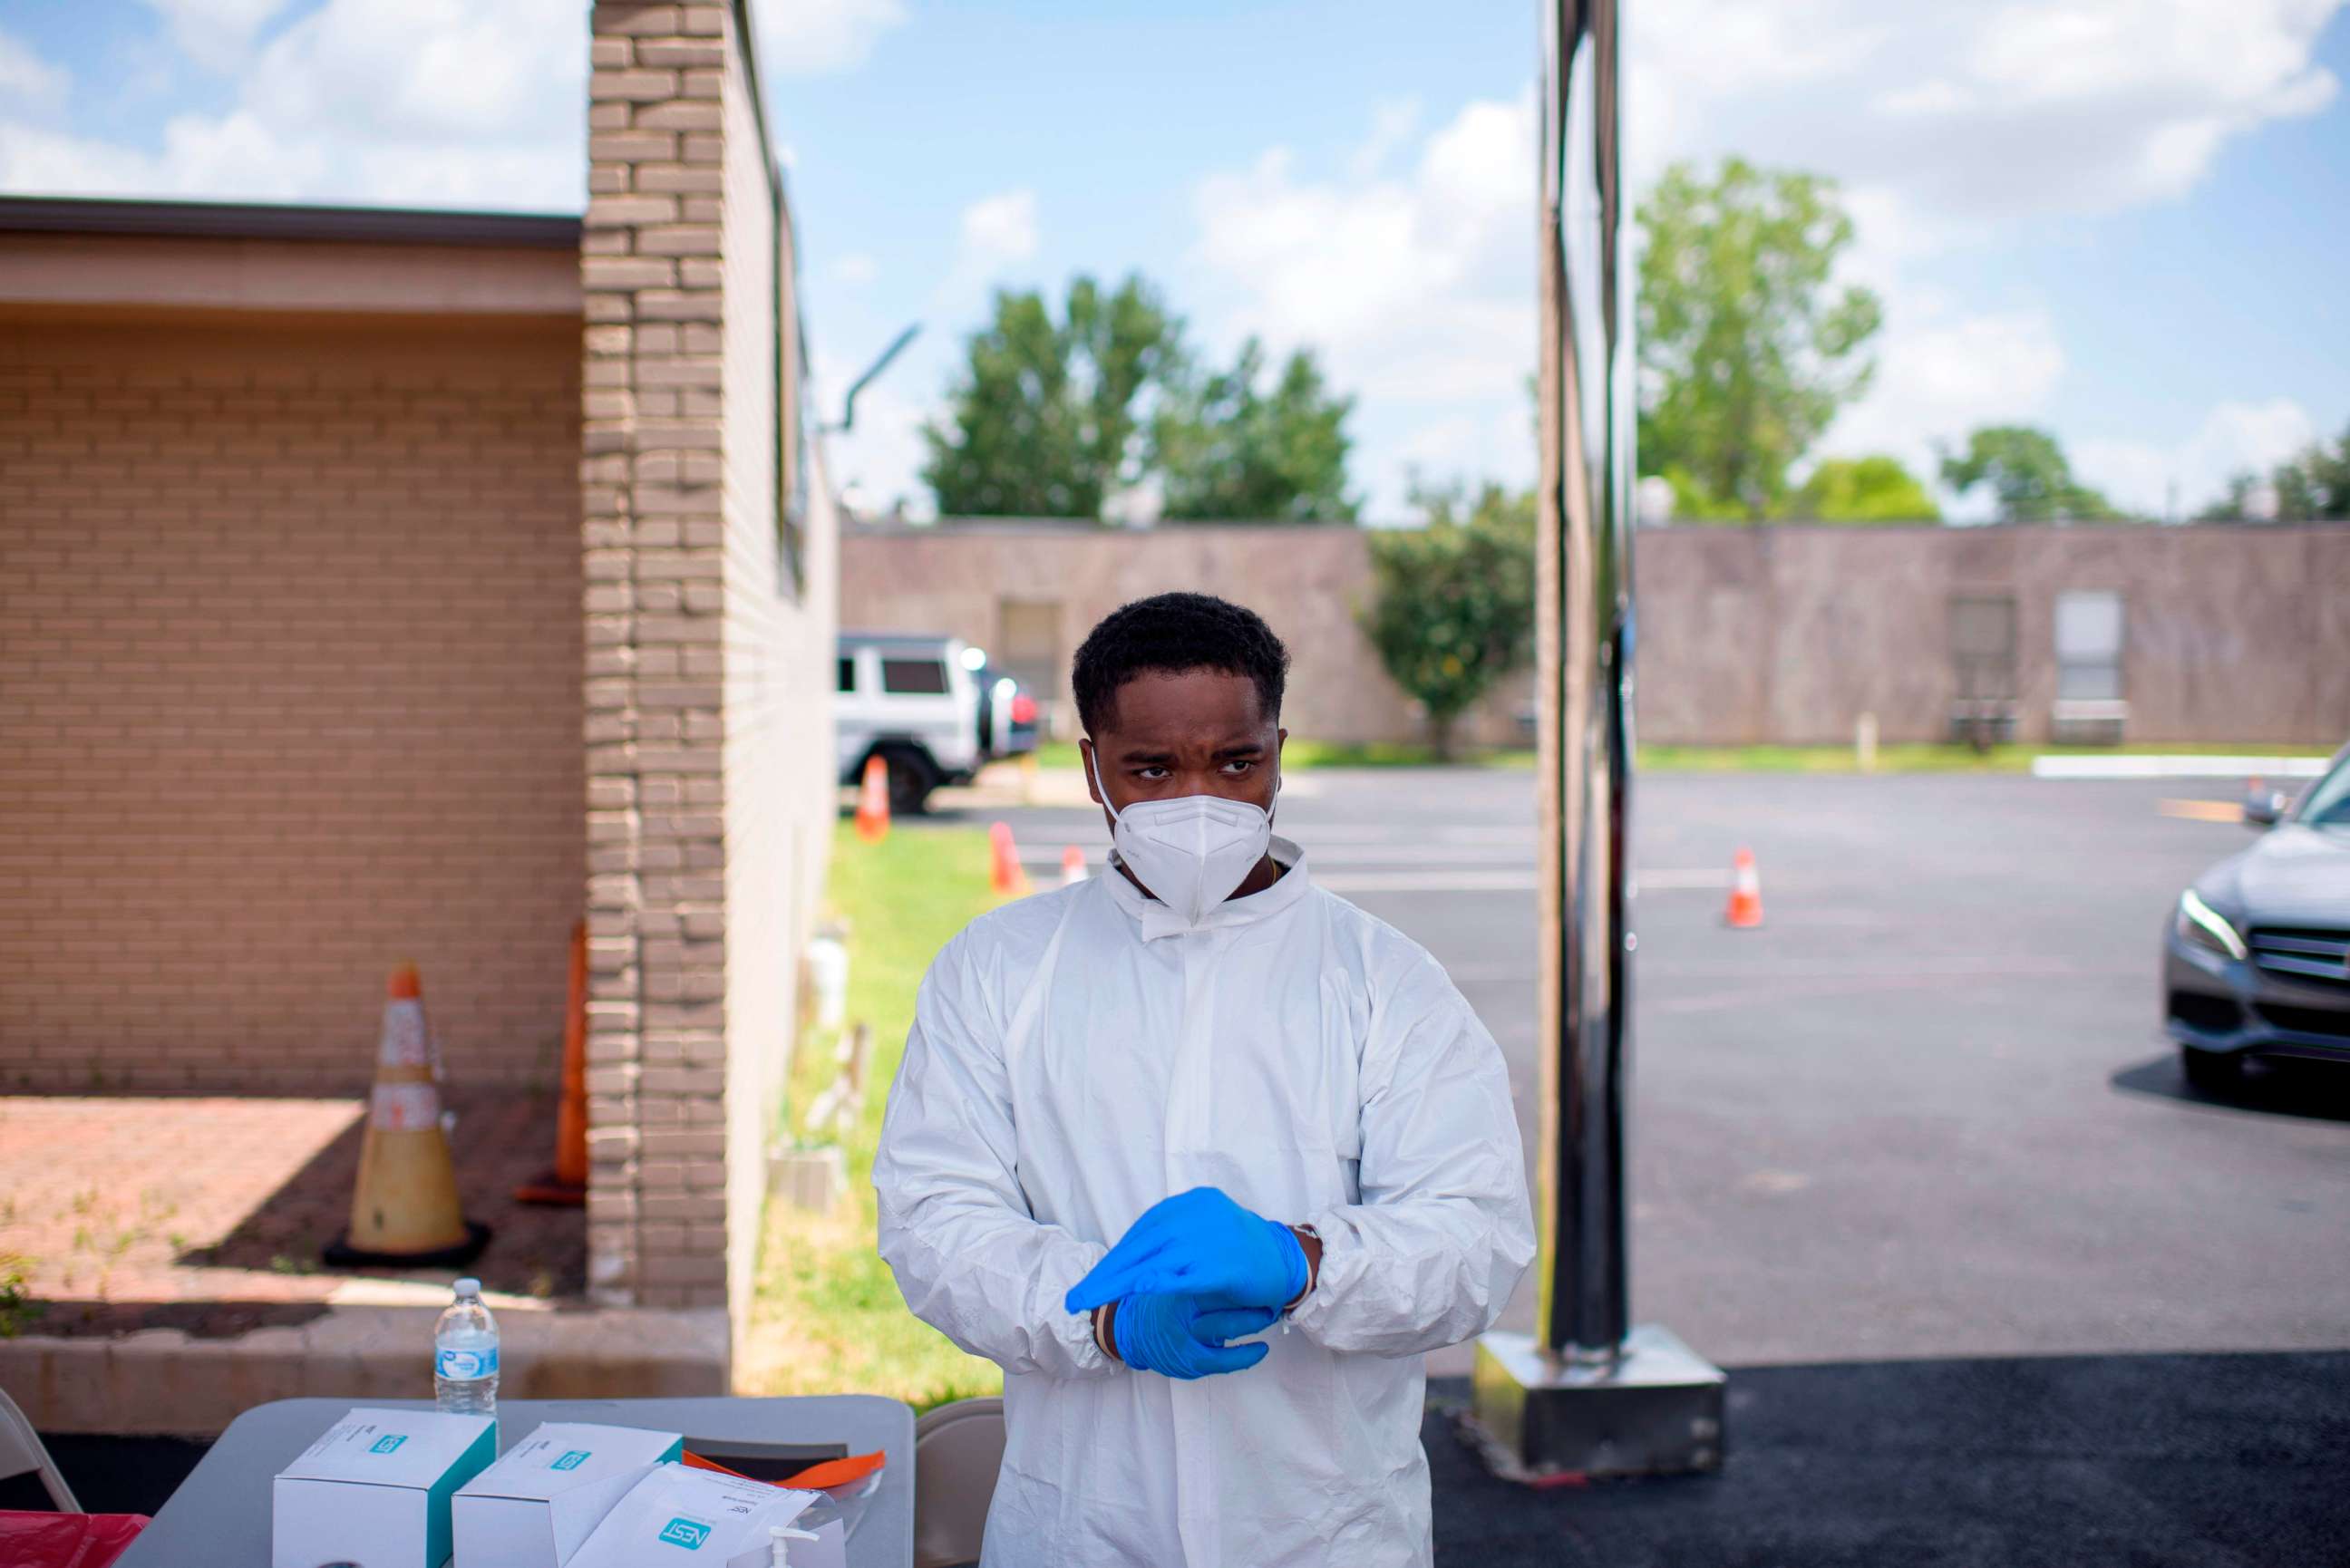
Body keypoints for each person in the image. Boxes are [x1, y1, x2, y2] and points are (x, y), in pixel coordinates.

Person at [875, 592, 1533, 1567]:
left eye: (1237, 761)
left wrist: (1303, 1259)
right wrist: (1097, 1311)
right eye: (1151, 766)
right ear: (1092, 761)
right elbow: (933, 1218)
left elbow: (1475, 1237)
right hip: (1083, 1529)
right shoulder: (1001, 967)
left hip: (1326, 1533)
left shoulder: (1383, 981)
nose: (1200, 799)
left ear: (1278, 748)